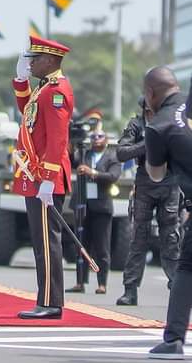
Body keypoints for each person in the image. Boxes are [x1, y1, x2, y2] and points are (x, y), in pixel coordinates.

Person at [11, 36, 73, 320]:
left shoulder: (57, 90)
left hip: (47, 178)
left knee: (48, 242)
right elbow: (28, 116)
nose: (31, 63)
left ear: (49, 61)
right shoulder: (43, 89)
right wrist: (21, 82)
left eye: (34, 59)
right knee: (41, 241)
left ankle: (50, 302)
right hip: (39, 176)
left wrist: (48, 179)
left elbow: (58, 139)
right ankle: (46, 299)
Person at [143, 67, 192, 359]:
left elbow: (157, 175)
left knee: (187, 267)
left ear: (151, 94)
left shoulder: (158, 126)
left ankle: (173, 339)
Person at [116, 96, 179, 305]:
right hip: (144, 181)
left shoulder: (170, 123)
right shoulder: (136, 124)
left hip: (169, 181)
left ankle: (177, 287)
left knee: (170, 237)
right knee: (138, 237)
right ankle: (130, 289)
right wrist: (147, 143)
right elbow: (122, 152)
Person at [66, 130, 121, 295]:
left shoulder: (112, 157)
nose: (96, 140)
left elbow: (113, 176)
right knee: (81, 245)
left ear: (106, 139)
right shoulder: (84, 154)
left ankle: (102, 283)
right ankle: (80, 282)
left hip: (101, 207)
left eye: (100, 136)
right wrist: (70, 143)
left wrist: (93, 173)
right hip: (83, 204)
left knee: (102, 247)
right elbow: (70, 161)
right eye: (93, 137)